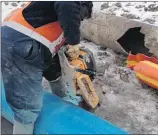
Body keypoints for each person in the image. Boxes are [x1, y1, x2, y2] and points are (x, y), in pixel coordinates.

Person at [1, 1, 93, 134]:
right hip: (20, 45)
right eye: (81, 17)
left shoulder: (45, 11)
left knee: (52, 71)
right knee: (25, 107)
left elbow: (47, 53)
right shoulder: (70, 4)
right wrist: (74, 41)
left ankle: (63, 99)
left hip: (18, 40)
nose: (80, 20)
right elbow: (67, 6)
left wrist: (57, 80)